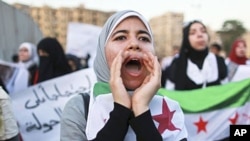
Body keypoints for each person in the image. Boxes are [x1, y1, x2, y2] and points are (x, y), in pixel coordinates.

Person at [60, 10, 188, 141]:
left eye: (144, 38)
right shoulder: (80, 107)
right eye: (121, 37)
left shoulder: (170, 108)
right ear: (102, 53)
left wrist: (141, 109)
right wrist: (120, 111)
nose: (134, 44)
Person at [163, 20, 228, 90]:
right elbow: (170, 94)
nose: (200, 35)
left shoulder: (218, 61)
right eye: (193, 33)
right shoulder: (177, 64)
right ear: (186, 39)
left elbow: (225, 91)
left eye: (203, 31)